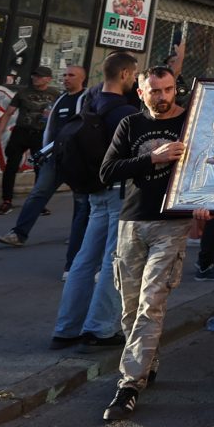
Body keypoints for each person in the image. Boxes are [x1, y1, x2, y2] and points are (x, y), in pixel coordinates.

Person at [95, 67, 194, 423]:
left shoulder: (191, 121)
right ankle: (146, 363)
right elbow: (107, 171)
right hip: (131, 221)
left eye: (168, 89)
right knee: (129, 305)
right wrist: (152, 158)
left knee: (151, 302)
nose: (163, 97)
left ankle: (128, 385)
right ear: (141, 93)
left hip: (172, 224)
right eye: (155, 91)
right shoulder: (130, 125)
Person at [50, 52, 139, 348]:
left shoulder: (90, 102)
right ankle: (100, 329)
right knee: (114, 260)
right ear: (125, 74)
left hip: (94, 190)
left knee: (84, 260)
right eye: (135, 74)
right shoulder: (125, 113)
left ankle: (66, 328)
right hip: (118, 190)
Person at [0, 64, 88, 251]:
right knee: (38, 193)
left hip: (76, 160)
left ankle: (76, 235)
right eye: (64, 75)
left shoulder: (87, 99)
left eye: (71, 75)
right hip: (55, 158)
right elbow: (51, 128)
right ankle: (18, 234)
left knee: (81, 200)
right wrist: (46, 152)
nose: (66, 78)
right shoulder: (60, 99)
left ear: (82, 78)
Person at [0, 67, 57, 215]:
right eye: (34, 75)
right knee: (11, 167)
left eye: (40, 77)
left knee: (40, 169)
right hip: (21, 133)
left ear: (48, 79)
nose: (36, 78)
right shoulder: (23, 92)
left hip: (41, 135)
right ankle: (6, 201)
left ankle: (38, 203)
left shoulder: (55, 94)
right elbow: (8, 113)